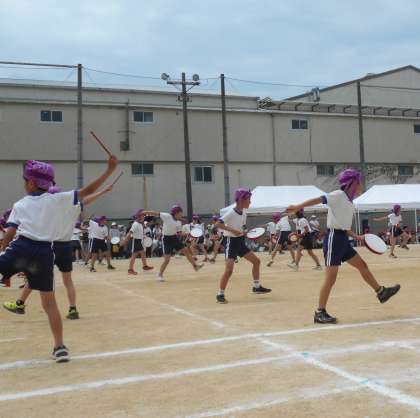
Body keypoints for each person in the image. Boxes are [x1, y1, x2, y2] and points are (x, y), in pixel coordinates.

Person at [0, 155, 118, 361]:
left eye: (24, 180)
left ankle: (17, 298)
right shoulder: (59, 200)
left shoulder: (20, 204)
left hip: (22, 248)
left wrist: (4, 250)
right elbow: (88, 191)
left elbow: (9, 234)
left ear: (31, 183)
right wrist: (109, 170)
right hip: (45, 252)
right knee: (49, 303)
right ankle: (60, 347)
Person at [286, 168, 400, 324]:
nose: (361, 185)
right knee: (330, 278)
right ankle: (319, 312)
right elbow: (320, 199)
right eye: (359, 182)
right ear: (352, 183)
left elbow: (344, 226)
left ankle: (381, 292)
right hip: (333, 239)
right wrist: (298, 207)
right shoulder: (338, 195)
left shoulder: (349, 202)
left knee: (362, 265)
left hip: (342, 239)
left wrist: (357, 236)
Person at [4, 183, 114, 321]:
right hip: (66, 246)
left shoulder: (49, 208)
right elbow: (86, 200)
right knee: (68, 281)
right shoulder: (74, 207)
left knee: (36, 276)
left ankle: (21, 304)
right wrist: (103, 191)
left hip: (49, 246)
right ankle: (73, 308)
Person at [215, 188, 271, 304]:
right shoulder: (231, 212)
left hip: (240, 241)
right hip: (231, 242)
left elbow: (243, 226)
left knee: (256, 261)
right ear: (241, 200)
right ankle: (220, 294)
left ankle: (256, 287)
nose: (250, 201)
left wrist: (247, 232)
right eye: (248, 199)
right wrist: (233, 231)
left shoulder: (244, 212)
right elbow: (218, 224)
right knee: (229, 270)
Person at [142, 206, 204, 281]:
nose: (182, 215)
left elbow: (179, 233)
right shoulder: (167, 216)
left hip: (174, 238)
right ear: (176, 213)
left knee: (186, 251)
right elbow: (155, 213)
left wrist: (188, 234)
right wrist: (145, 212)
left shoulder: (178, 222)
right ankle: (160, 275)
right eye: (181, 213)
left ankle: (195, 266)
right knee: (167, 260)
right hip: (166, 239)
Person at [123, 209, 154, 275]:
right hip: (136, 241)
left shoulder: (140, 224)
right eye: (143, 215)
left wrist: (143, 236)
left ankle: (145, 266)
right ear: (139, 216)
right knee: (134, 255)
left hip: (139, 241)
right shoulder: (135, 224)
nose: (144, 217)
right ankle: (130, 270)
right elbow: (130, 232)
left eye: (144, 216)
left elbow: (140, 232)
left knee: (143, 253)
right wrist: (126, 239)